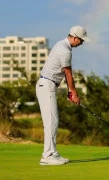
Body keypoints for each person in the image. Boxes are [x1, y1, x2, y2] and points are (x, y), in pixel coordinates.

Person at [36, 25, 91, 165]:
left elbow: (65, 73)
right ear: (75, 38)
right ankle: (47, 156)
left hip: (48, 85)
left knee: (53, 121)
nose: (82, 43)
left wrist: (69, 92)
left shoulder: (61, 45)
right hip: (46, 85)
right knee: (51, 122)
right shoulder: (65, 51)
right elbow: (68, 74)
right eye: (81, 40)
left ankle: (53, 153)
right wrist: (74, 93)